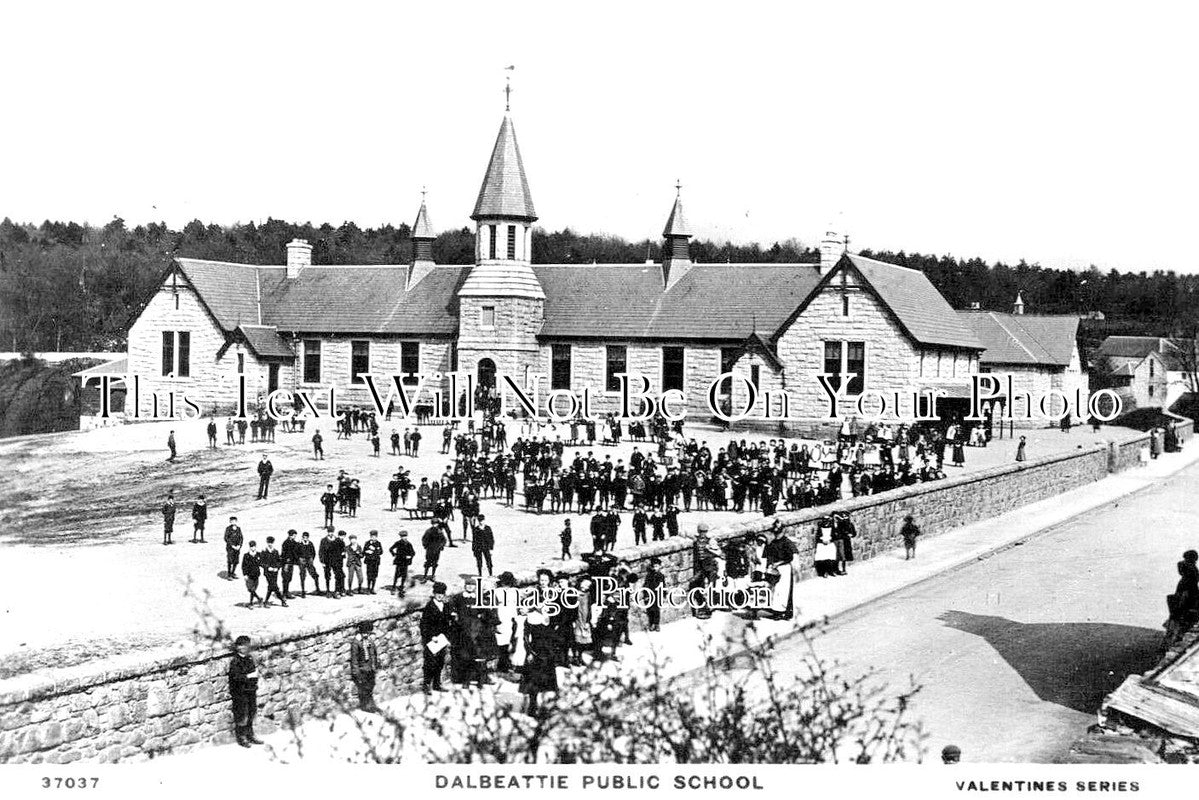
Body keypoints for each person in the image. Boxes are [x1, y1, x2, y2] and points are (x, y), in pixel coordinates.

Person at [228, 635, 262, 747]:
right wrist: (249, 676)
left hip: (250, 690)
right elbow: (236, 678)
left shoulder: (249, 659)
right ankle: (242, 737)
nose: (249, 647)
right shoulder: (235, 661)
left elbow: (254, 672)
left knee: (252, 712)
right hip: (240, 693)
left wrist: (254, 679)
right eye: (246, 645)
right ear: (240, 647)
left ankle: (250, 734)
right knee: (242, 715)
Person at [420, 581, 451, 692]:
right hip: (432, 639)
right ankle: (427, 684)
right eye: (438, 593)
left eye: (442, 593)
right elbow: (424, 624)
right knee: (430, 663)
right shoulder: (430, 606)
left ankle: (437, 684)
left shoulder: (445, 606)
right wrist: (431, 636)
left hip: (442, 638)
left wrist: (447, 636)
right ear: (434, 593)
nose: (440, 595)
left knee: (440, 662)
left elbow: (447, 622)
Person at [762, 520, 796, 619]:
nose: (776, 534)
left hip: (784, 568)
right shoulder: (773, 543)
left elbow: (790, 557)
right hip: (775, 568)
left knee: (783, 590)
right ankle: (776, 610)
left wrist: (778, 563)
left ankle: (783, 611)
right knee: (776, 590)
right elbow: (768, 556)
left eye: (778, 532)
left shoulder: (786, 542)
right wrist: (769, 566)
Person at [350, 622, 381, 712]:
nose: (366, 634)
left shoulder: (370, 641)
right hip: (362, 669)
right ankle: (366, 706)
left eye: (367, 633)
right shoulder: (356, 643)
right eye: (364, 632)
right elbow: (354, 659)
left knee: (370, 686)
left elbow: (373, 654)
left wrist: (374, 665)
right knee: (364, 688)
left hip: (370, 668)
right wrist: (356, 672)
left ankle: (372, 705)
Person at [389, 530, 416, 595]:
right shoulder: (398, 543)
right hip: (399, 561)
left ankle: (401, 587)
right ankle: (393, 587)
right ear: (400, 537)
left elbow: (413, 552)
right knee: (397, 575)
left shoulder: (409, 544)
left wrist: (410, 556)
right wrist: (394, 554)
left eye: (405, 536)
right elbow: (391, 549)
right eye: (403, 536)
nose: (404, 537)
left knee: (404, 575)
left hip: (405, 562)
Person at [644, 557, 665, 632]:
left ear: (659, 567)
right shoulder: (649, 576)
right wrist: (646, 595)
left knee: (657, 610)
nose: (656, 568)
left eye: (657, 566)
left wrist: (663, 595)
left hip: (658, 595)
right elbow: (646, 585)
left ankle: (657, 624)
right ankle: (651, 623)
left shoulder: (661, 576)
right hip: (651, 594)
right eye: (654, 566)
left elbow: (663, 586)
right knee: (650, 610)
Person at [297, 531, 320, 597]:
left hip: (309, 561)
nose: (305, 538)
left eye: (306, 537)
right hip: (302, 561)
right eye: (304, 537)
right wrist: (299, 559)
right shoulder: (299, 544)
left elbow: (313, 552)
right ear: (302, 537)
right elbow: (296, 552)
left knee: (314, 574)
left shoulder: (310, 543)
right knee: (302, 575)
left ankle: (317, 589)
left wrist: (311, 559)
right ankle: (303, 591)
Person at [241, 541, 263, 607]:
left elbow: (262, 563)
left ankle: (253, 602)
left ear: (256, 547)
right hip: (249, 575)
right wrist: (244, 574)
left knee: (253, 589)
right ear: (250, 547)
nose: (253, 548)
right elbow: (243, 566)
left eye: (254, 547)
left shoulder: (259, 554)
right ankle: (257, 600)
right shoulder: (246, 555)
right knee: (251, 589)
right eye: (251, 547)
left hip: (256, 574)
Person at [280, 529, 300, 598]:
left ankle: (286, 592)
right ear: (291, 535)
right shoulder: (286, 543)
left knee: (289, 578)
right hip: (286, 563)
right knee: (285, 578)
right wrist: (285, 563)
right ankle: (284, 593)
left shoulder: (293, 542)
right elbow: (284, 554)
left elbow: (296, 547)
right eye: (294, 536)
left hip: (291, 563)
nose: (295, 537)